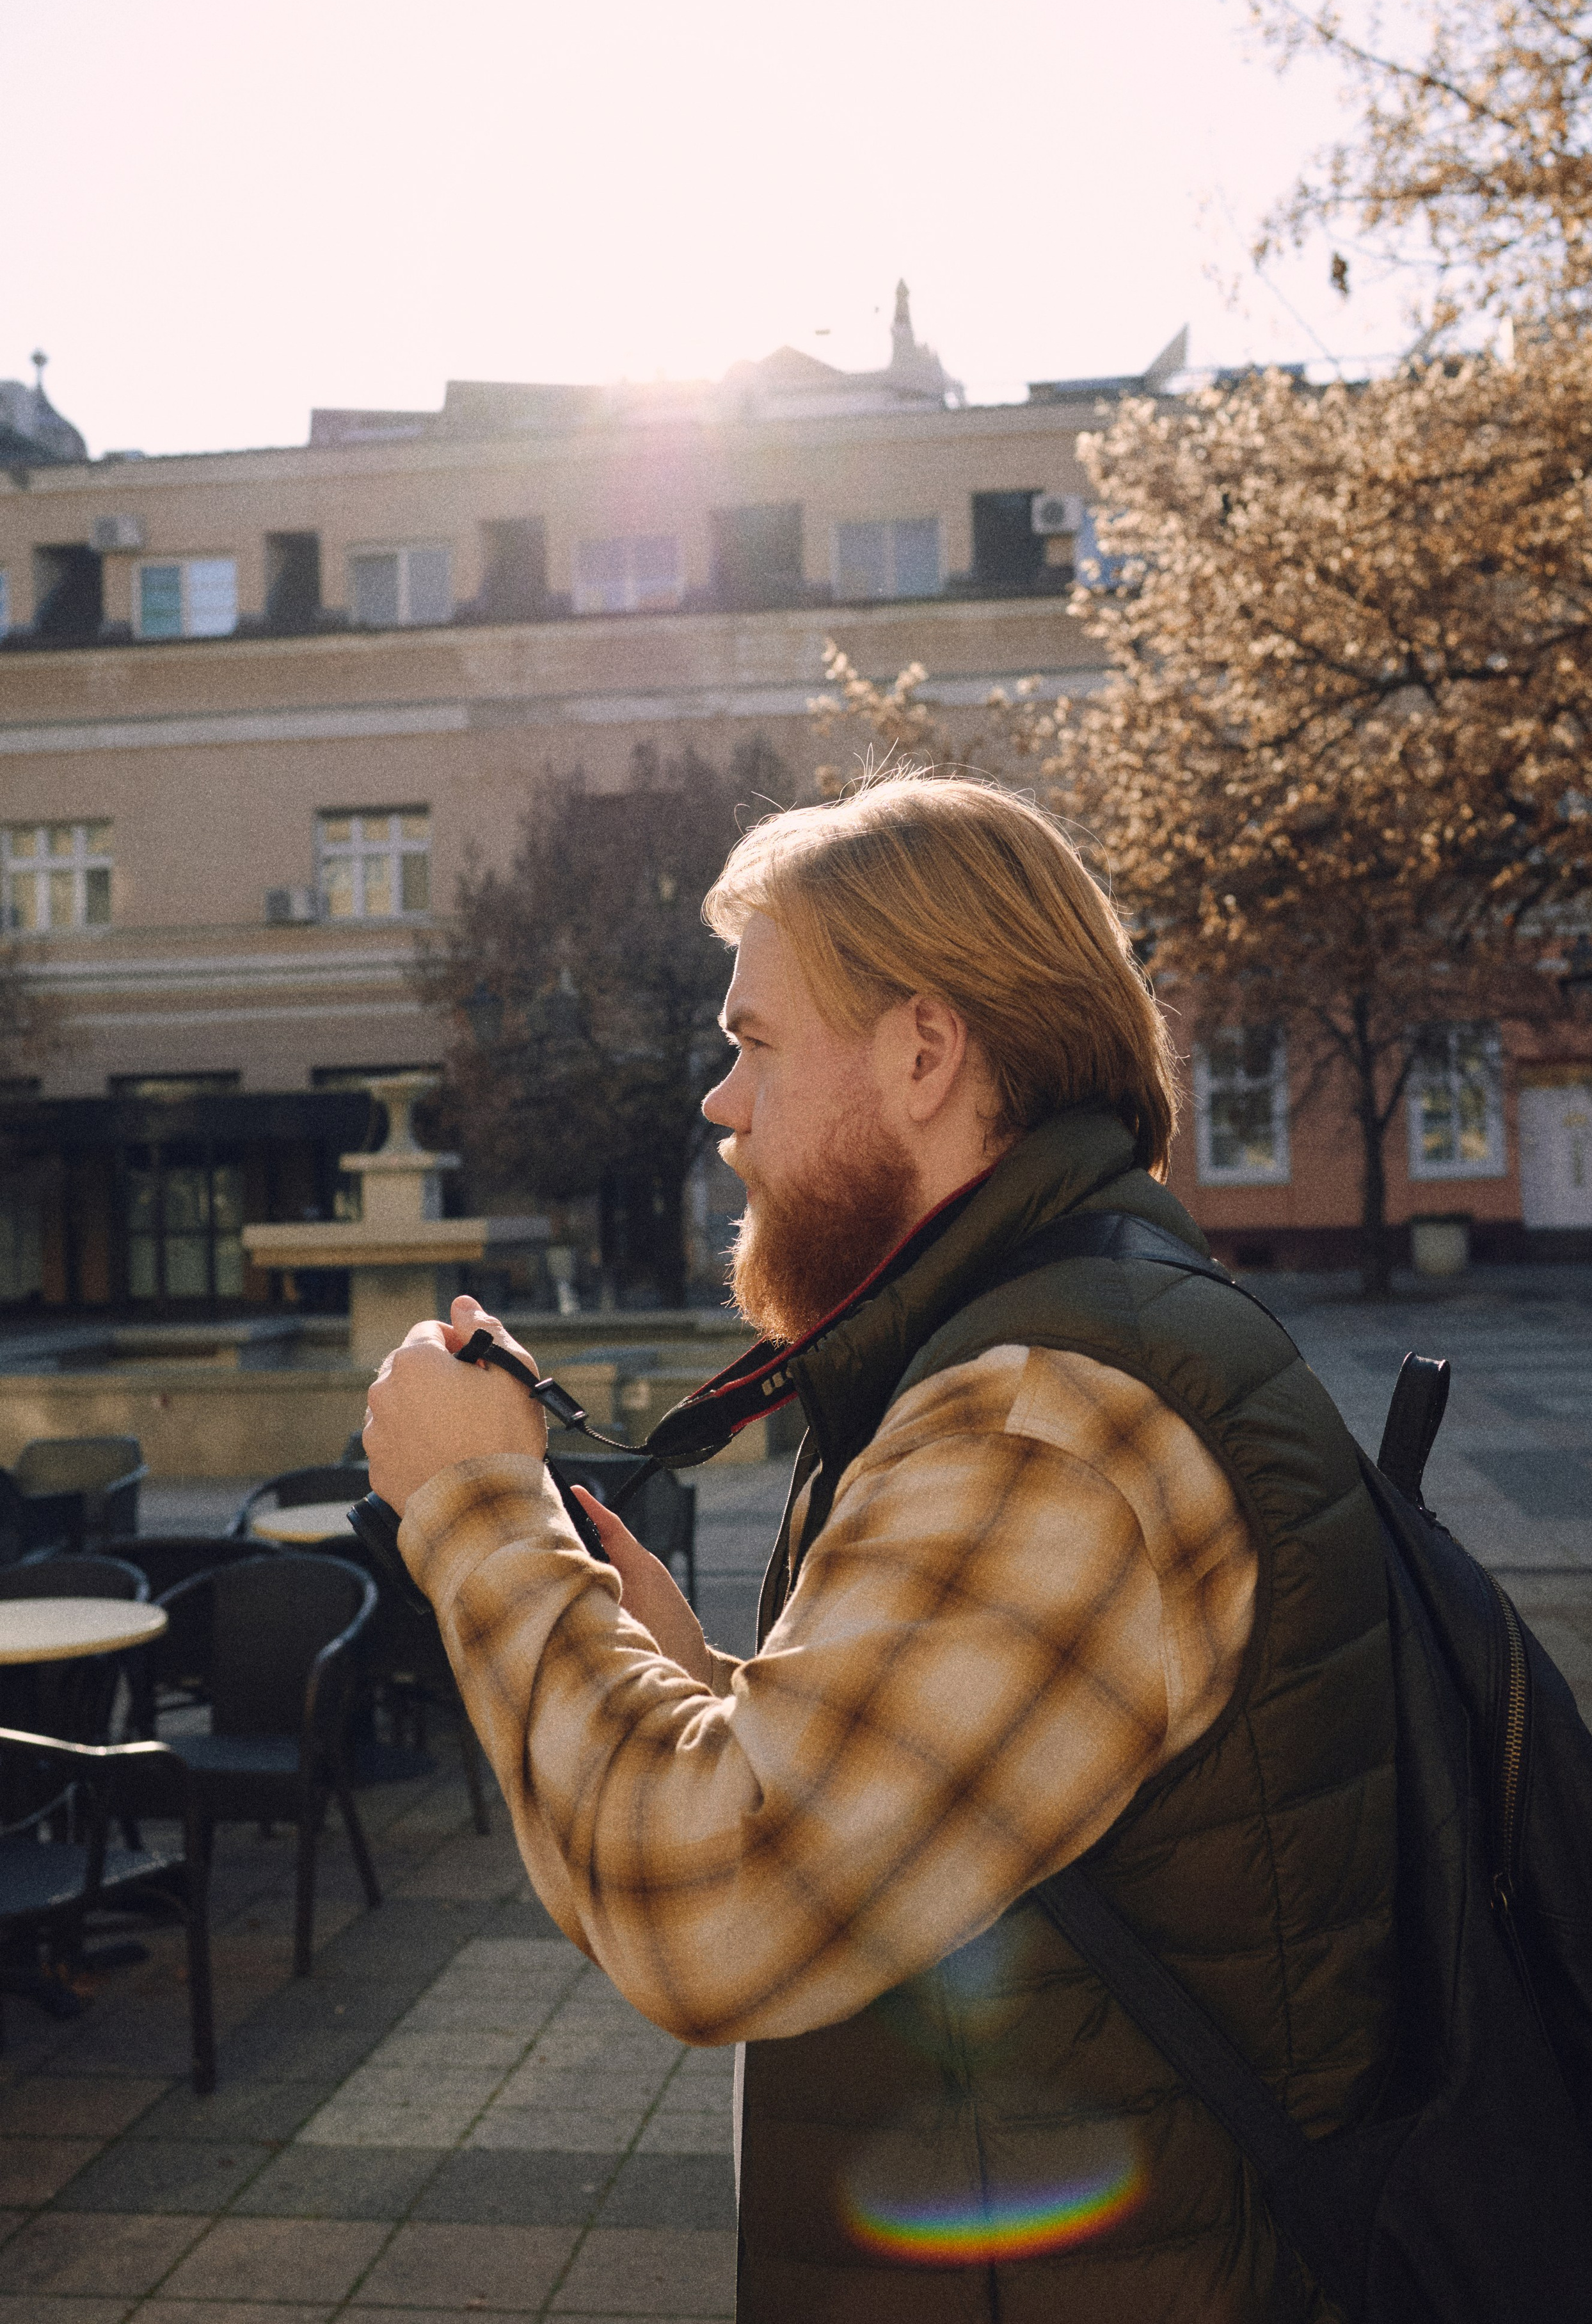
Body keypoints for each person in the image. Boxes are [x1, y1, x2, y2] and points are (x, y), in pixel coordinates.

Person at [363, 774, 1394, 2323]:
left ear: (923, 1052)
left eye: (754, 1043)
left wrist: (474, 1517)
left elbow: (709, 1913)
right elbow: (950, 1801)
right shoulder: (1045, 1334)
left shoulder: (1039, 1427)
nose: (719, 1100)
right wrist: (695, 1677)